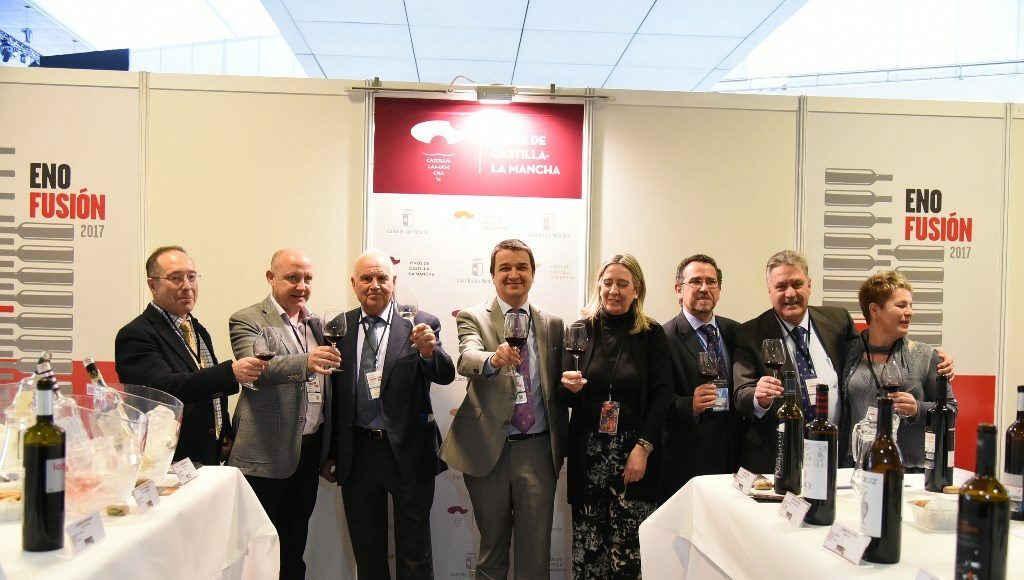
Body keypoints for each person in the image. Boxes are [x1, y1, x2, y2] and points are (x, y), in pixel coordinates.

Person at [440, 239, 566, 580]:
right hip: (487, 450)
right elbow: (467, 357)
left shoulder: (553, 323)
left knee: (535, 556)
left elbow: (558, 381)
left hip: (538, 451)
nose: (514, 274)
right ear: (493, 275)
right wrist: (492, 359)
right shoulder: (472, 316)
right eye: (505, 268)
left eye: (522, 267)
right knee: (492, 553)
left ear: (533, 274)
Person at [330, 250, 455, 579]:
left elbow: (445, 374)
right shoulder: (338, 327)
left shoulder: (421, 323)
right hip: (357, 454)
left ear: (394, 282)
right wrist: (329, 453)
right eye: (366, 278)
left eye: (382, 277)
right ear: (354, 284)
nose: (374, 284)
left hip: (409, 452)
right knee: (368, 554)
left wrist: (429, 352)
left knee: (415, 554)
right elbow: (332, 396)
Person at [227, 248, 340, 580]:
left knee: (293, 548)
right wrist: (306, 362)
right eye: (292, 277)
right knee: (258, 554)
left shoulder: (318, 323)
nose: (301, 286)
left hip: (308, 453)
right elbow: (256, 369)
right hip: (263, 455)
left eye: (307, 278)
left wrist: (329, 449)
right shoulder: (247, 319)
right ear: (270, 277)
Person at [560, 253, 673, 579]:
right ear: (598, 286)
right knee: (589, 554)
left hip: (634, 455)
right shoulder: (579, 330)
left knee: (628, 556)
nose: (614, 290)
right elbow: (564, 396)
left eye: (623, 284)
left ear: (636, 290)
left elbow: (663, 394)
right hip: (588, 455)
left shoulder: (651, 333)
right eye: (607, 282)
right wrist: (568, 387)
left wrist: (643, 448)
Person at [115, 245, 265, 467]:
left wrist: (223, 431)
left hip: (206, 454)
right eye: (175, 278)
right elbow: (162, 390)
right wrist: (230, 373)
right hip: (168, 460)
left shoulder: (197, 329)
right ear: (152, 285)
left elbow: (208, 389)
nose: (187, 286)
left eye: (192, 277)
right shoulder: (136, 334)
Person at [732, 250, 857, 473]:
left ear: (809, 285)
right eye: (781, 286)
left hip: (834, 454)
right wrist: (759, 398)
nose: (790, 293)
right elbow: (742, 393)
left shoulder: (839, 321)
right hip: (779, 457)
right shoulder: (749, 334)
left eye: (797, 284)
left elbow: (865, 359)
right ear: (769, 291)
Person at [840, 270, 956, 468]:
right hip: (856, 469)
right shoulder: (847, 351)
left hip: (908, 473)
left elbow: (951, 409)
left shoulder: (926, 355)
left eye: (911, 305)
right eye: (901, 305)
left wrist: (918, 409)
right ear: (874, 310)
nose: (910, 312)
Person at [661, 254, 742, 500]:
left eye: (711, 282)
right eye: (696, 281)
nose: (704, 288)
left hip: (735, 458)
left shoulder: (737, 332)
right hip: (688, 461)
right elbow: (656, 399)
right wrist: (690, 404)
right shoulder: (663, 338)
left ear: (719, 289)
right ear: (679, 290)